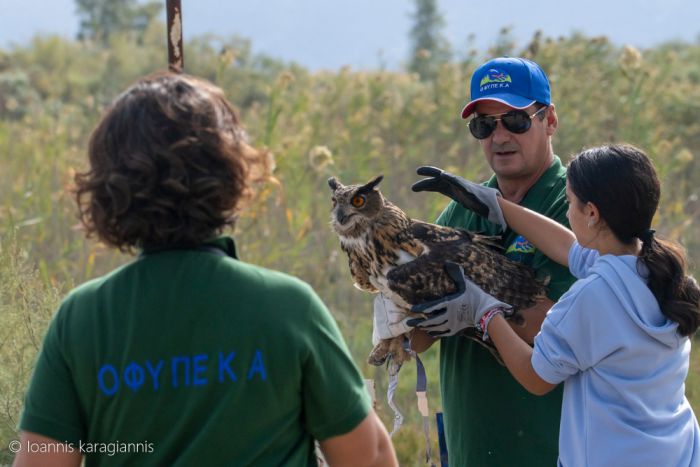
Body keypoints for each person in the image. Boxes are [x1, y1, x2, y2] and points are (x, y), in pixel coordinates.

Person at [13, 72, 397, 467]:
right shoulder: (287, 307)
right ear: (232, 174)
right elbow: (368, 457)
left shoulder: (81, 318)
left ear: (109, 189)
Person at [411, 143, 700, 466]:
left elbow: (536, 376)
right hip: (676, 454)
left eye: (572, 202)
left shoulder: (592, 296)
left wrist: (484, 311)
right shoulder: (658, 274)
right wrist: (497, 205)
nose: (567, 211)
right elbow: (569, 247)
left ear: (591, 213)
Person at [373, 56, 576, 466]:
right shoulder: (461, 209)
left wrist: (480, 309)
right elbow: (414, 339)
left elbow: (566, 331)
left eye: (515, 120)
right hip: (470, 444)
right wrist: (404, 311)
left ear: (549, 119)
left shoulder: (573, 204)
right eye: (484, 125)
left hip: (549, 445)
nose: (499, 136)